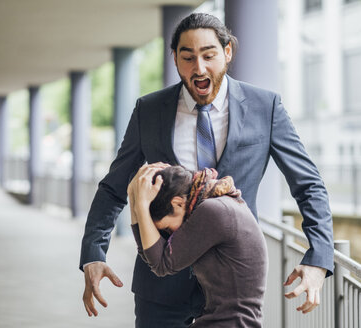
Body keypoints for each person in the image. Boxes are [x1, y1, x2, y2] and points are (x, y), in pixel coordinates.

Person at [80, 13, 334, 327]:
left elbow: (308, 184)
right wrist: (94, 251)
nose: (199, 68)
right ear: (174, 59)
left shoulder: (264, 107)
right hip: (160, 287)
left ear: (227, 53)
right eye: (187, 58)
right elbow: (114, 187)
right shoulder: (149, 109)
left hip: (233, 291)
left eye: (208, 55)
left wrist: (319, 258)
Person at [128, 164, 268, 328]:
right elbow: (151, 255)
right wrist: (134, 199)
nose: (170, 234)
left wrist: (141, 206)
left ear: (178, 203)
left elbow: (161, 264)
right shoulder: (216, 203)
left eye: (166, 228)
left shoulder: (213, 210)